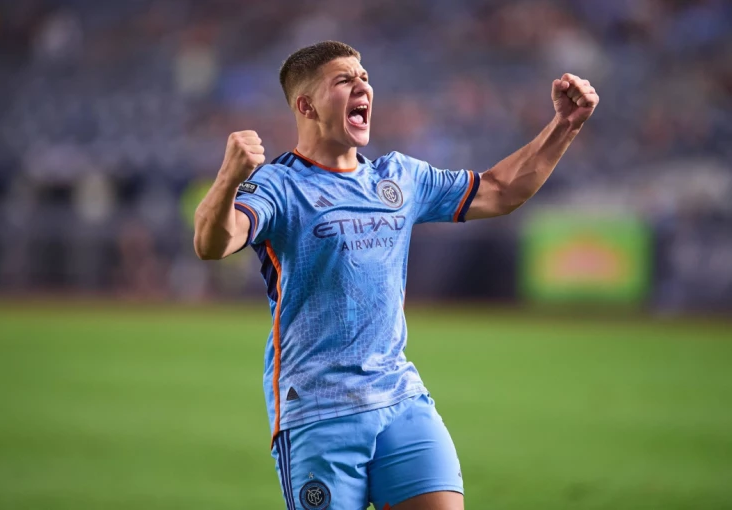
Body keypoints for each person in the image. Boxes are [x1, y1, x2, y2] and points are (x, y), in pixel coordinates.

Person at [194, 41, 598, 510]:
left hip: (400, 399)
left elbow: (500, 190)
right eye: (344, 80)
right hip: (318, 412)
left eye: (364, 77)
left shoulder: (399, 177)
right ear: (306, 106)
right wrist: (229, 177)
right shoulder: (277, 185)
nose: (362, 85)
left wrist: (565, 125)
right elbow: (212, 243)